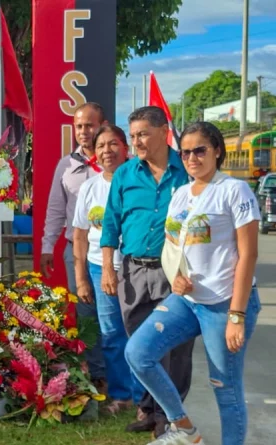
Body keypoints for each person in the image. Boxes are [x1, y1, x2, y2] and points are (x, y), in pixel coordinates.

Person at [126, 122, 261, 445]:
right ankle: (184, 428)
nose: (191, 158)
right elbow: (172, 246)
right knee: (138, 353)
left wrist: (237, 315)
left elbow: (248, 254)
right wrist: (176, 277)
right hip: (188, 301)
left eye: (200, 150)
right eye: (185, 152)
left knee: (225, 387)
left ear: (217, 150)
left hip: (225, 303)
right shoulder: (181, 194)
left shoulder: (234, 190)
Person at [100, 106, 194, 436]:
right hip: (133, 272)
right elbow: (110, 223)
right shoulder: (125, 174)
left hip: (174, 272)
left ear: (163, 131)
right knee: (138, 344)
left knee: (175, 346)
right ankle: (148, 410)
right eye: (133, 135)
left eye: (143, 134)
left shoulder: (186, 170)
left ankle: (170, 415)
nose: (137, 142)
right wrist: (108, 269)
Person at [73, 125, 143, 414]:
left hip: (138, 268)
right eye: (100, 146)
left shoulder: (142, 182)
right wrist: (81, 279)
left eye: (113, 144)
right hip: (100, 268)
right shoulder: (90, 187)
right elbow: (79, 235)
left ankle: (145, 397)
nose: (106, 151)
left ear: (126, 148)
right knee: (112, 335)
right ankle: (122, 396)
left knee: (139, 333)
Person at [40, 102, 107, 390]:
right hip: (75, 251)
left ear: (102, 125)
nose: (83, 131)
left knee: (113, 313)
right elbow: (56, 209)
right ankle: (97, 375)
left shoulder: (118, 164)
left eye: (89, 125)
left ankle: (121, 375)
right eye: (79, 126)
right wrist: (47, 246)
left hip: (112, 252)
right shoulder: (66, 166)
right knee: (85, 313)